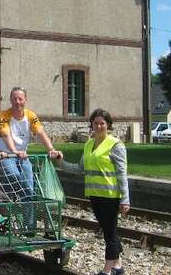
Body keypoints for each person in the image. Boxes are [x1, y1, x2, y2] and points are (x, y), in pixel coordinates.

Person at [50, 108, 129, 275]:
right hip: (94, 195)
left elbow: (122, 174)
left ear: (108, 125)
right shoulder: (88, 145)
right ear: (91, 125)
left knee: (110, 234)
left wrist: (125, 199)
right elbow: (80, 169)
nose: (99, 126)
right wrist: (61, 162)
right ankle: (118, 266)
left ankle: (107, 271)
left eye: (102, 123)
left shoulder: (116, 145)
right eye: (96, 123)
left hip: (110, 196)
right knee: (110, 231)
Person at [0, 87, 60, 202]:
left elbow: (40, 132)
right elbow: (5, 135)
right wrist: (14, 151)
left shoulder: (30, 116)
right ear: (10, 100)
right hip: (5, 154)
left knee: (29, 184)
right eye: (14, 99)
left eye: (20, 99)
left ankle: (28, 218)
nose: (17, 102)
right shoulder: (3, 116)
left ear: (25, 100)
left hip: (22, 155)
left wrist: (51, 149)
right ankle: (7, 200)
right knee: (13, 175)